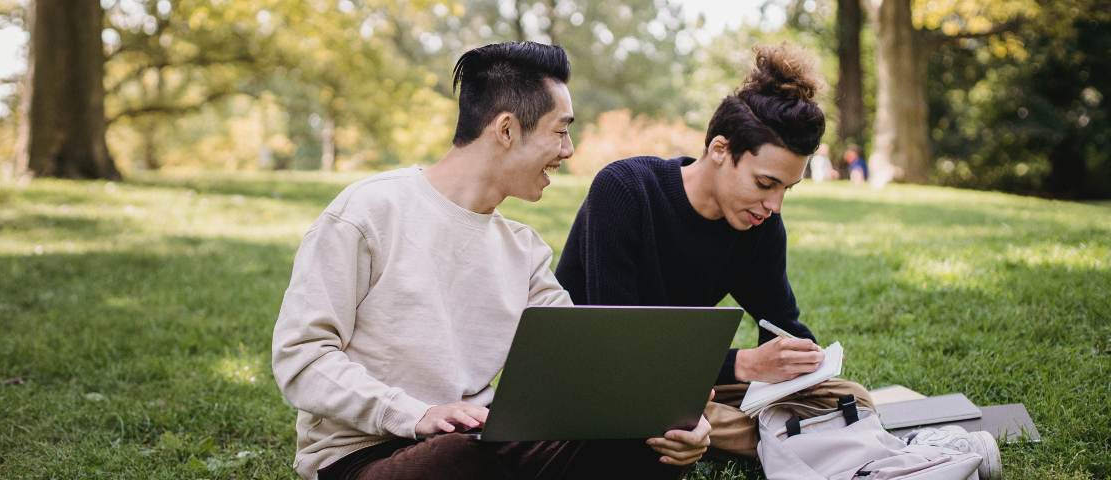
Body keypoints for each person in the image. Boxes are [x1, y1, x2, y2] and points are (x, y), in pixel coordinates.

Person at [271, 41, 710, 480]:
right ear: (506, 130)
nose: (569, 150)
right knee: (455, 461)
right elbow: (303, 357)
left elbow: (588, 369)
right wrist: (414, 414)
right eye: (560, 131)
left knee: (646, 440)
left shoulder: (524, 250)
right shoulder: (369, 212)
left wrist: (678, 420)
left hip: (481, 444)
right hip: (367, 456)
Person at [554, 44, 874, 460]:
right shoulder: (627, 190)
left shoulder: (760, 225)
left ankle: (732, 432)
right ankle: (780, 436)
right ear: (721, 150)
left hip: (683, 381)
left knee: (851, 398)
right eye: (765, 184)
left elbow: (780, 322)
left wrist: (800, 360)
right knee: (651, 408)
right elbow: (617, 347)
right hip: (601, 377)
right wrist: (743, 365)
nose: (774, 205)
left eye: (785, 189)